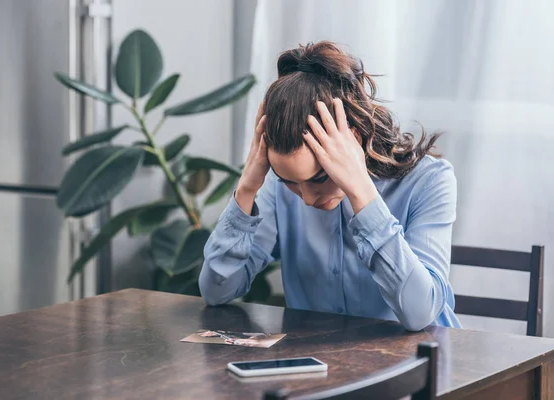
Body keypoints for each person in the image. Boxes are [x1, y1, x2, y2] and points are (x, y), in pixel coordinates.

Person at [198, 41, 461, 331]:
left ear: (354, 138)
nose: (308, 198)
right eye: (291, 183)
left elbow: (420, 313)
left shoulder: (430, 180)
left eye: (320, 177)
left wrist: (361, 193)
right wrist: (247, 188)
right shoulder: (276, 185)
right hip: (322, 368)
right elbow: (216, 292)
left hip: (422, 365)